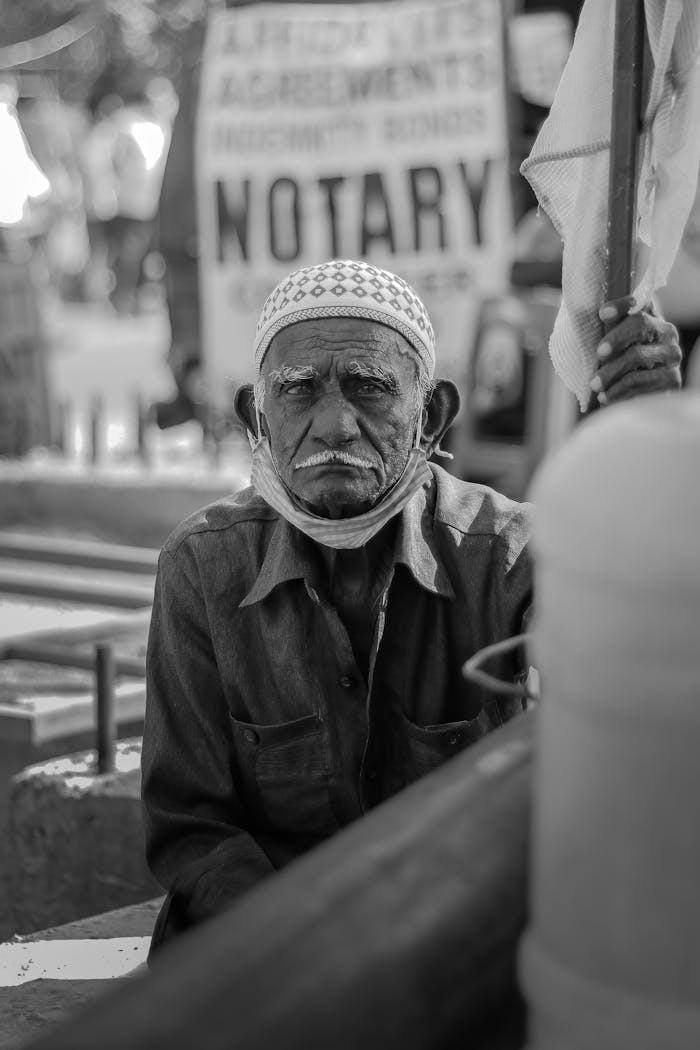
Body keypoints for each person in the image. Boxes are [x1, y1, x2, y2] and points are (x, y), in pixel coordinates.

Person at [142, 259, 681, 954]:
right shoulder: (202, 567)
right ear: (257, 416)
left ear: (431, 415)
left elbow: (632, 687)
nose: (334, 423)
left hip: (453, 946)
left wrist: (652, 445)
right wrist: (318, 960)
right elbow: (193, 831)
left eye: (370, 389)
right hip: (266, 958)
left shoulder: (513, 556)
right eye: (298, 391)